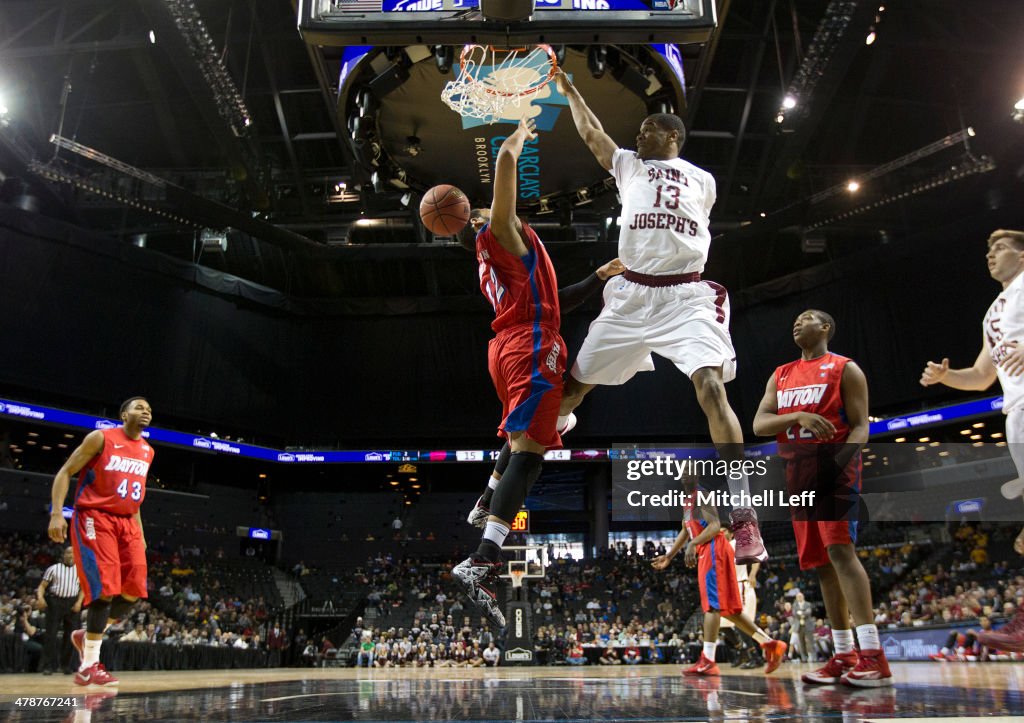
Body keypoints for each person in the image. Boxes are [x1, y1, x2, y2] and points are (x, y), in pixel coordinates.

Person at [552, 70, 766, 564]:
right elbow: (591, 134)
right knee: (572, 389)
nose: (638, 135)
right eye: (638, 131)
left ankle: (743, 513)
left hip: (686, 297)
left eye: (648, 129)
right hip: (631, 296)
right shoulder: (628, 166)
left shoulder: (703, 180)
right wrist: (570, 89)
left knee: (711, 387)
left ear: (672, 136)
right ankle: (557, 424)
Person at [450, 118, 565, 628]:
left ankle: (484, 501)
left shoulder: (505, 256)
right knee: (532, 454)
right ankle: (482, 560)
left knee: (535, 434)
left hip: (513, 346)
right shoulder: (501, 237)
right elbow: (502, 165)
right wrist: (518, 136)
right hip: (528, 346)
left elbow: (561, 299)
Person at [753, 310, 892, 687]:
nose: (797, 323)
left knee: (841, 552)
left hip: (835, 467)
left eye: (807, 318)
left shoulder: (845, 368)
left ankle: (873, 656)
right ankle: (844, 654)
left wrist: (838, 464)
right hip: (798, 474)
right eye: (794, 319)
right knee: (822, 564)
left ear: (826, 328)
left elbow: (861, 427)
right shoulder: (781, 374)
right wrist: (797, 415)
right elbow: (759, 423)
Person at [921, 229, 1024, 652]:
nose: (990, 255)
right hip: (1015, 410)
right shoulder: (994, 309)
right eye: (987, 249)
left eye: (1000, 248)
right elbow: (982, 376)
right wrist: (949, 378)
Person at [48, 396, 155, 687]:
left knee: (134, 589)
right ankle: (88, 666)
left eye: (148, 409)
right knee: (105, 589)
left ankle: (86, 636)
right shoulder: (101, 438)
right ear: (124, 414)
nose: (145, 411)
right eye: (138, 407)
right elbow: (65, 472)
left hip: (128, 522)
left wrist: (141, 535)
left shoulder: (147, 451)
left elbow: (136, 498)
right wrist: (57, 514)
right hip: (95, 516)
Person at [652, 475, 786, 676]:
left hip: (713, 549)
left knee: (712, 606)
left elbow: (714, 527)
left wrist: (693, 543)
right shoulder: (687, 502)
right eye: (683, 471)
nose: (686, 475)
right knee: (730, 610)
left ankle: (708, 659)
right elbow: (685, 530)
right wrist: (670, 556)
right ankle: (769, 644)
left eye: (690, 470)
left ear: (695, 476)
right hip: (710, 550)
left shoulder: (702, 496)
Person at [36, 546, 83, 675]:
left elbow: (83, 589)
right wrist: (40, 598)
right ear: (64, 555)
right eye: (68, 553)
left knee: (70, 635)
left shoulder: (80, 570)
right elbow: (42, 586)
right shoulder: (53, 569)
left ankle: (65, 665)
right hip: (55, 601)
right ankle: (47, 666)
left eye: (73, 553)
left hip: (72, 602)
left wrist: (79, 602)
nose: (70, 555)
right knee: (51, 634)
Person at [719, 528, 761, 668]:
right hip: (728, 590)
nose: (721, 532)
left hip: (741, 586)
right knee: (723, 625)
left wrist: (753, 574)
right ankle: (742, 650)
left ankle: (755, 656)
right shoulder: (720, 547)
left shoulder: (736, 543)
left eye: (723, 530)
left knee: (742, 625)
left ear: (730, 533)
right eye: (719, 531)